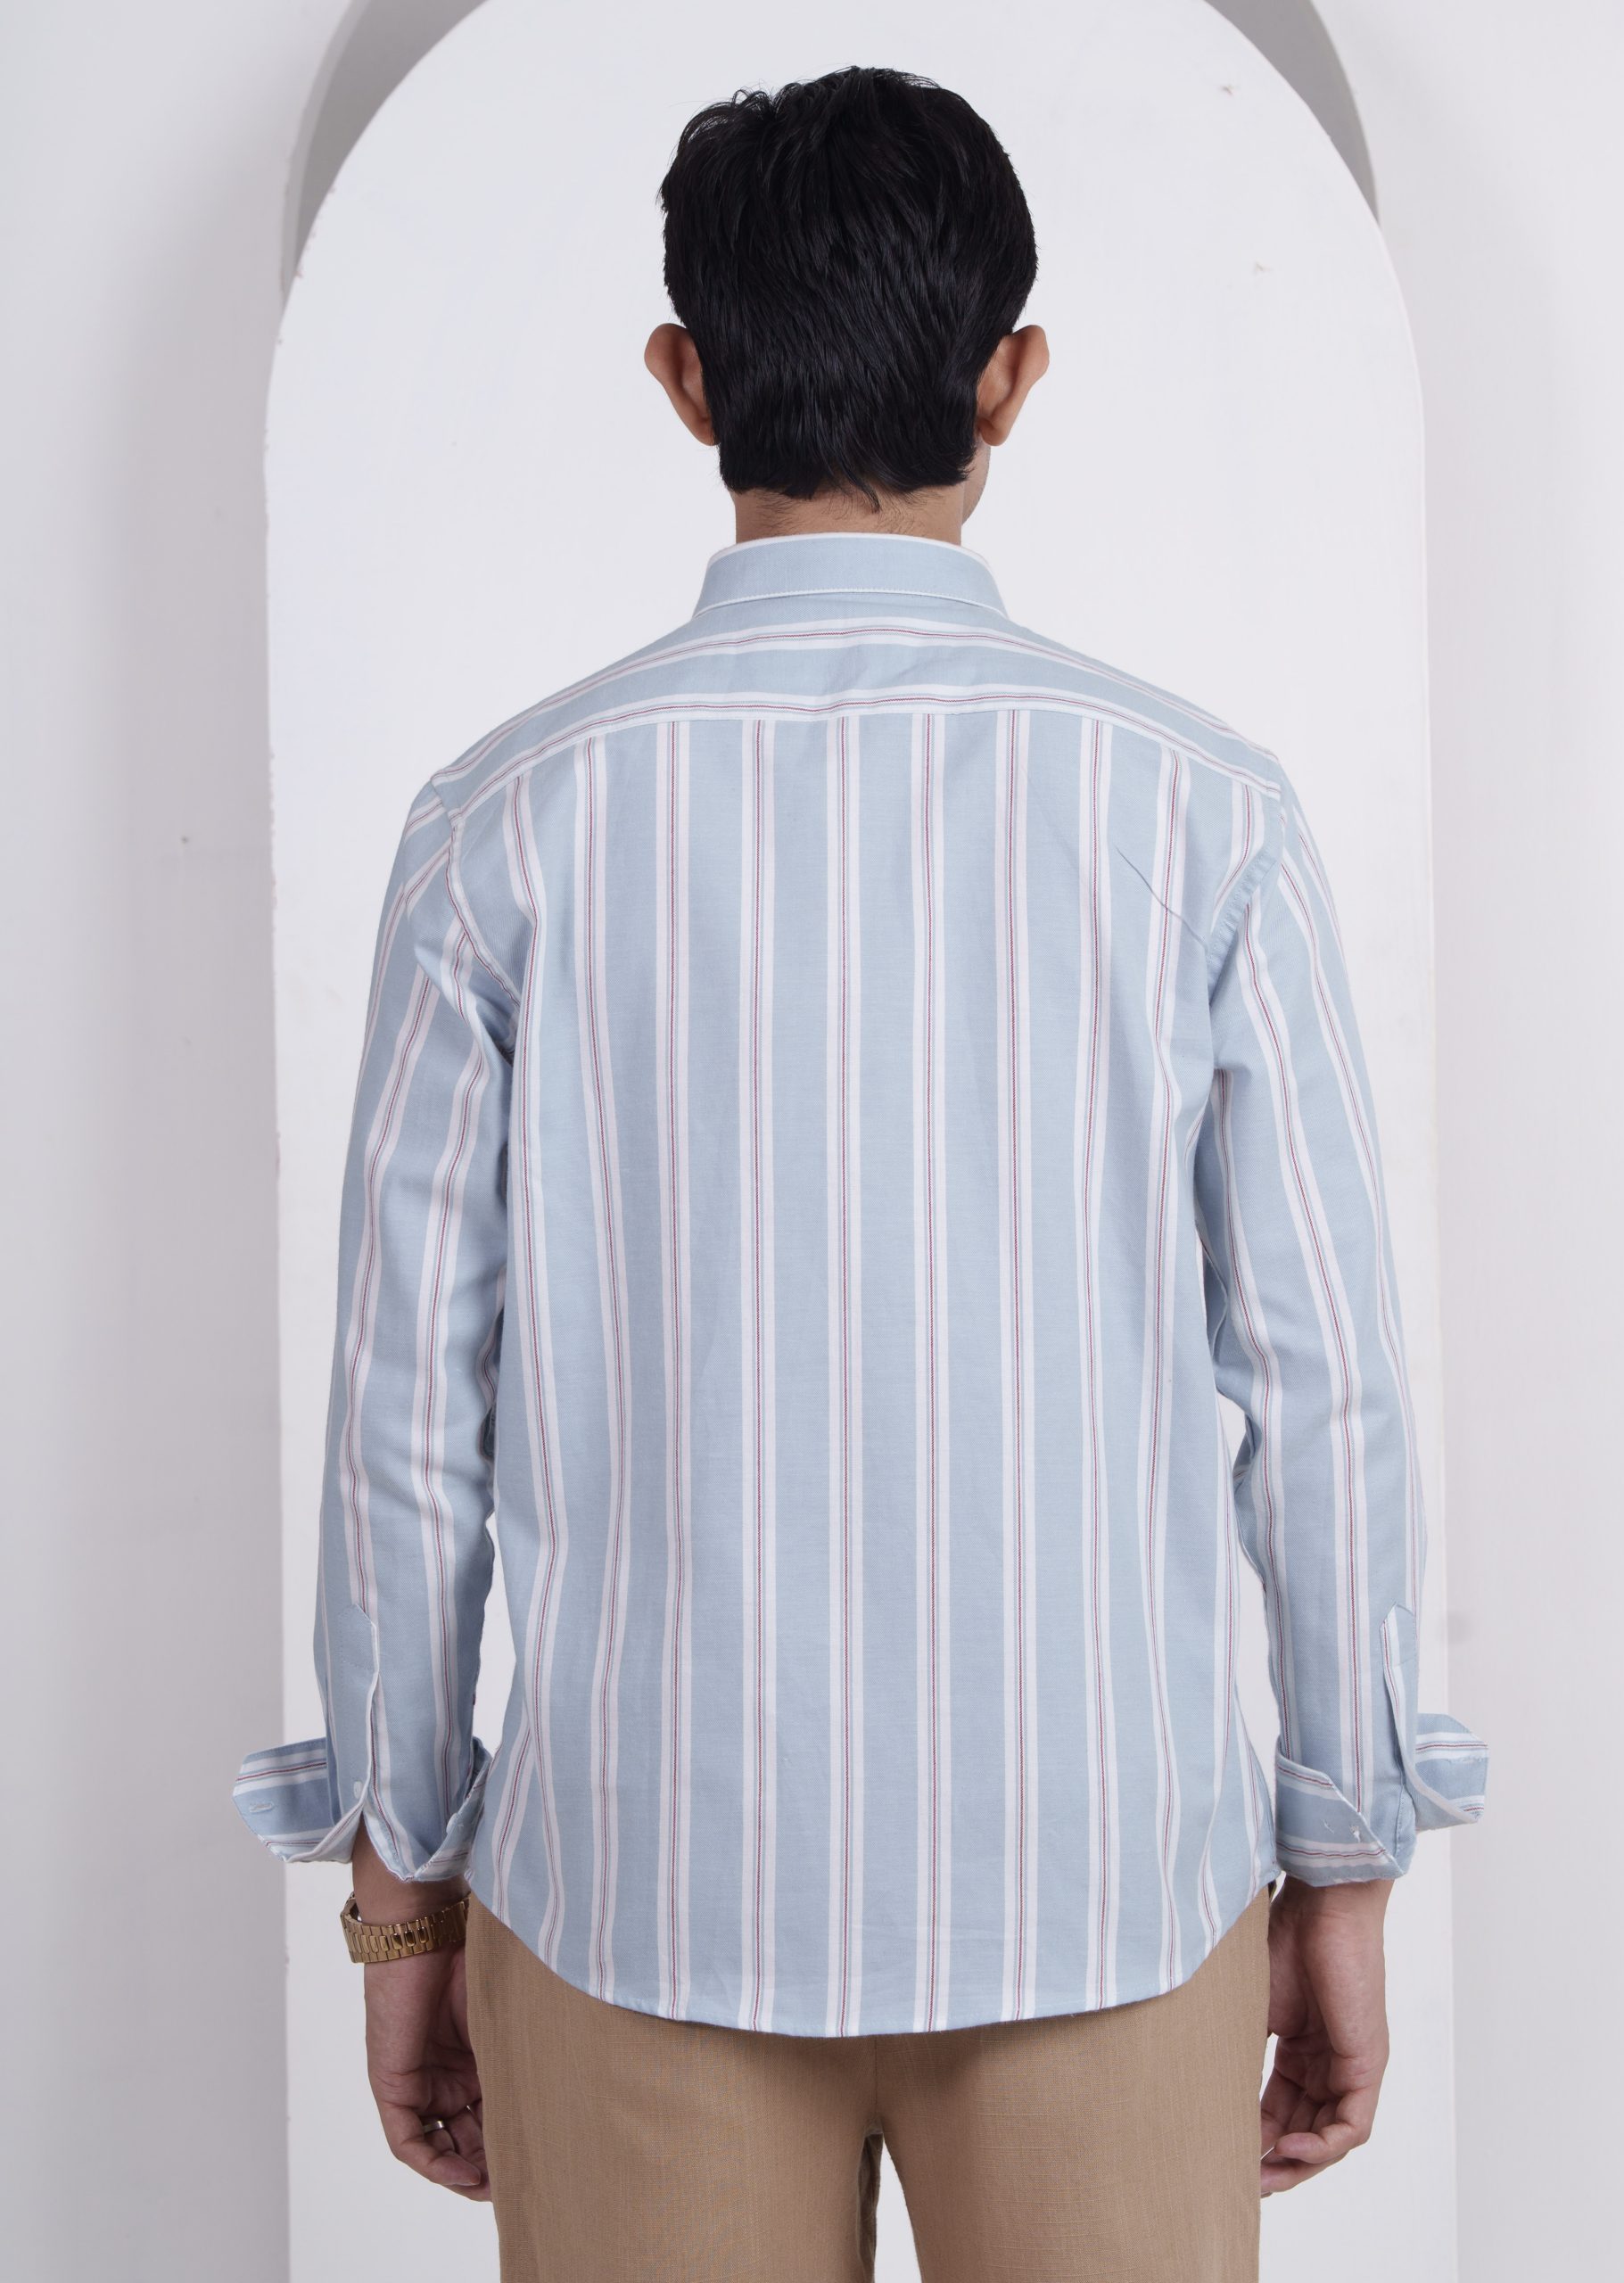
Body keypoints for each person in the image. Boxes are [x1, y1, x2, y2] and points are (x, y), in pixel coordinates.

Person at [232, 62, 1488, 2282]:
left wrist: (406, 1895)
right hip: (1106, 1886)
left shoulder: (503, 825)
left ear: (685, 378)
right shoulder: (1196, 812)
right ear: (1012, 379)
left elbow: (403, 1430)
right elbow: (1323, 1397)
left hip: (634, 1893)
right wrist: (1343, 1858)